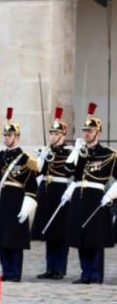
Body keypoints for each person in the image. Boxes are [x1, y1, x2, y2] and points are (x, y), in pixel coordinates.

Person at [65, 102, 116, 284]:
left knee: (96, 237)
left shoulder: (109, 154)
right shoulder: (80, 152)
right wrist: (76, 152)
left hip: (96, 197)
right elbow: (67, 170)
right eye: (85, 131)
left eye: (90, 131)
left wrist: (110, 195)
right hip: (79, 195)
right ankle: (85, 273)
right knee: (81, 236)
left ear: (98, 134)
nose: (86, 133)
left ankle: (95, 274)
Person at [0, 108, 38, 282]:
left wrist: (27, 206)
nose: (6, 138)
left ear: (17, 137)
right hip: (0, 200)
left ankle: (15, 272)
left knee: (14, 239)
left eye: (10, 136)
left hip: (16, 200)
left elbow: (31, 186)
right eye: (5, 136)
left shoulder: (26, 160)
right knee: (1, 238)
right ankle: (6, 271)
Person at [31, 107, 74, 279]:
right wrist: (42, 157)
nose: (53, 137)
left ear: (63, 135)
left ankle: (60, 268)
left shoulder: (69, 152)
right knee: (48, 232)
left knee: (61, 233)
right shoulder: (46, 151)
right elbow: (38, 172)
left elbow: (71, 172)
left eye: (56, 134)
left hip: (61, 192)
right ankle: (50, 268)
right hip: (46, 193)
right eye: (51, 134)